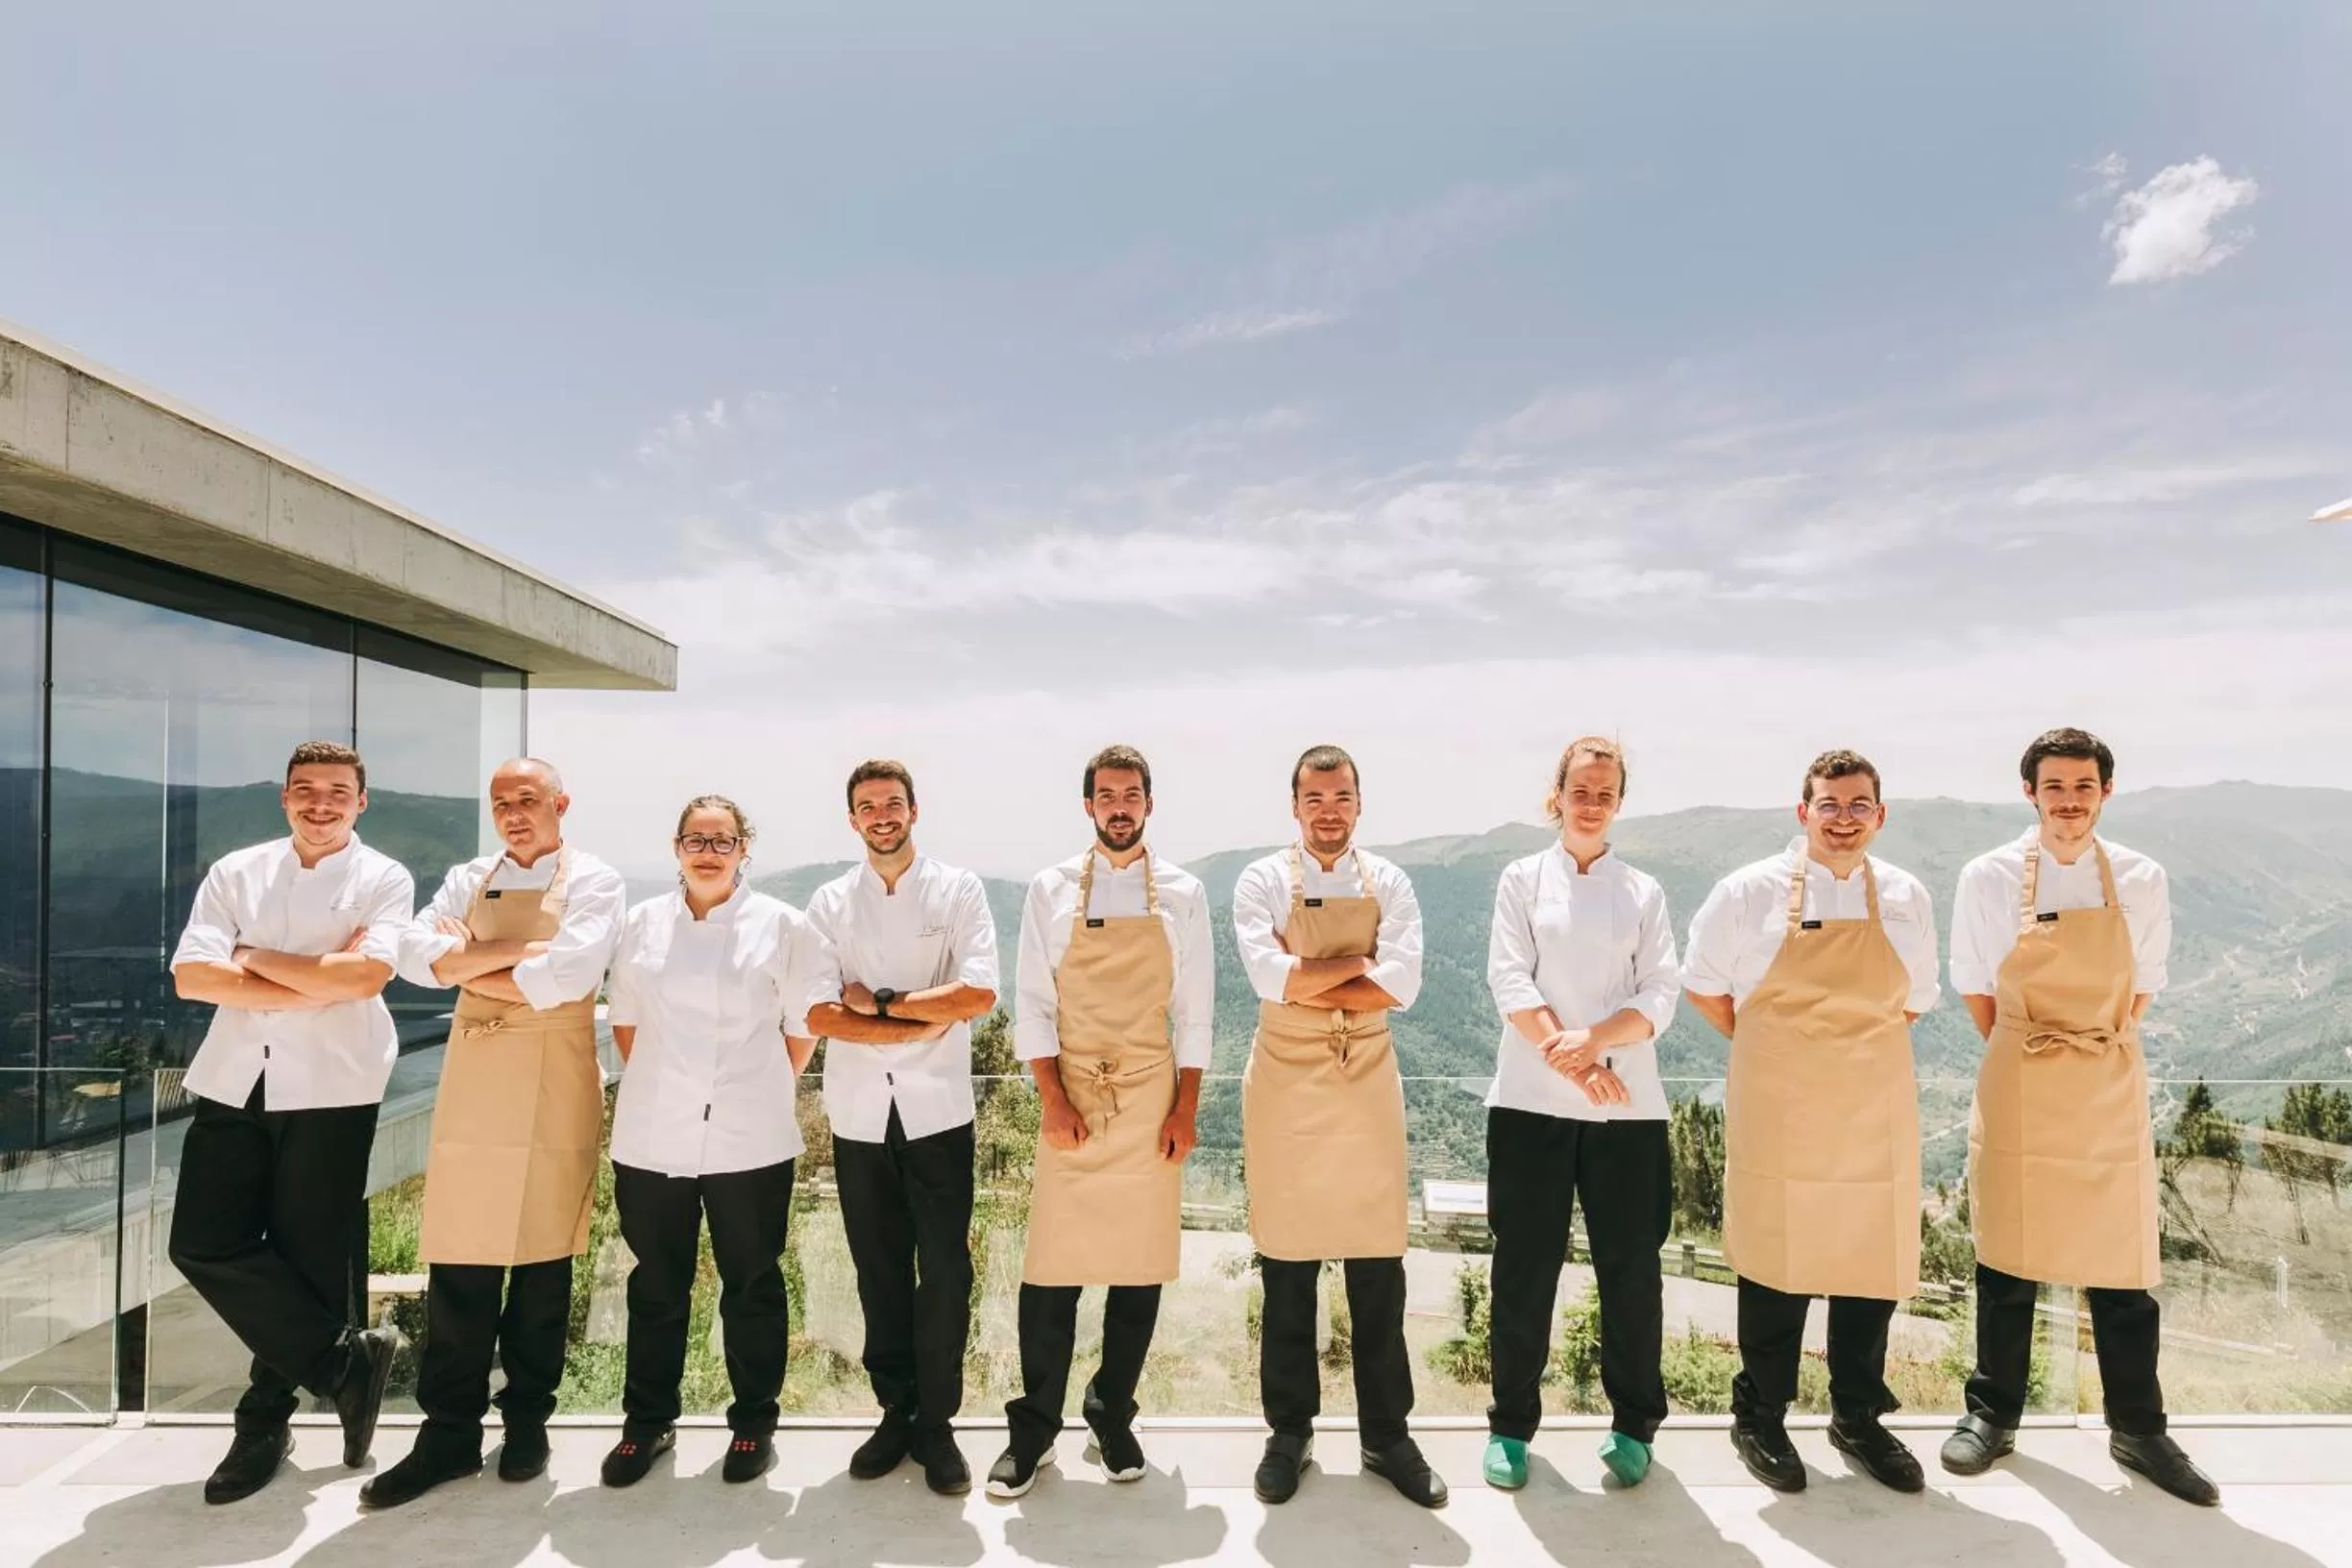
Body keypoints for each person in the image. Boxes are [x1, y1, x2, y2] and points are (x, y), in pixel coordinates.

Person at [1940, 727, 2216, 1506]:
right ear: (2030, 793)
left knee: (2122, 1261)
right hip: (2022, 1072)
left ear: (2105, 792)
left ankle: (2139, 1428)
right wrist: (2035, 1046)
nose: (2068, 800)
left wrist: (2090, 1042)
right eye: (2054, 787)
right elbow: (1975, 986)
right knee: (2006, 1254)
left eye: (2083, 786)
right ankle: (1991, 1416)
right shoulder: (1988, 876)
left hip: (2105, 1073)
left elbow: (2144, 982)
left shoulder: (2139, 876)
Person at [362, 758, 625, 1508]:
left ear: (561, 804)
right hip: (476, 1081)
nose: (513, 812)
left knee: (544, 1265)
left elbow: (570, 976)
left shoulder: (598, 880)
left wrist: (467, 962)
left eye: (528, 799)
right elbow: (414, 959)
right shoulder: (467, 874)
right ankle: (447, 1434)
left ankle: (527, 1425)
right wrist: (517, 957)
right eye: (502, 801)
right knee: (461, 1264)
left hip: (554, 1078)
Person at [1682, 748, 1939, 1495]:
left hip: (1873, 1104)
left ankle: (1858, 1416)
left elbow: (1915, 998)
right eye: (1830, 804)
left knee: (1870, 1264)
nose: (1845, 819)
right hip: (1782, 1104)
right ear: (1804, 812)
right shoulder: (1747, 892)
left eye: (1860, 805)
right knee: (1775, 1259)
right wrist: (1777, 1049)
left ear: (1880, 816)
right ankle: (1759, 1413)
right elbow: (1703, 987)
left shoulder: (1905, 895)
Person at [166, 740, 411, 1505]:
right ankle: (343, 1363)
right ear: (284, 797)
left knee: (306, 1257)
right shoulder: (236, 870)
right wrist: (314, 979)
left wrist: (252, 957)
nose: (321, 803)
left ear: (360, 801)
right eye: (306, 789)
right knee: (201, 1243)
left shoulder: (384, 878)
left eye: (337, 791)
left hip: (336, 1087)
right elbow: (191, 976)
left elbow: (366, 976)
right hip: (235, 1079)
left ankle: (263, 1423)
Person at [987, 745, 1214, 1500]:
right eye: (1107, 795)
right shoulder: (1050, 889)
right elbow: (1034, 1001)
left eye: (1132, 794)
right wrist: (1052, 1098)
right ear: (1088, 806)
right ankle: (1035, 1429)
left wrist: (1185, 1105)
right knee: (1051, 1271)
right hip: (1075, 1096)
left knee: (1138, 1268)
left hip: (1151, 1097)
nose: (1120, 806)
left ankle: (1111, 1413)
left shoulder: (1183, 893)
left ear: (1149, 803)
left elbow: (1194, 1011)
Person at [1233, 744, 1444, 1509]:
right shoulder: (1260, 879)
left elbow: (1405, 985)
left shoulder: (1389, 880)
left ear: (1360, 803)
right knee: (1287, 1267)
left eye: (1342, 797)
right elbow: (1267, 976)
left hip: (1366, 1087)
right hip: (1285, 1086)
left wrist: (1309, 975)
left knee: (1378, 1268)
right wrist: (1358, 968)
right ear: (1295, 807)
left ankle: (1388, 1435)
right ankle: (1289, 1433)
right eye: (1315, 798)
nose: (1329, 810)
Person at [599, 796, 819, 1487]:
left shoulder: (782, 925)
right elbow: (627, 1024)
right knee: (656, 1285)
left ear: (744, 850)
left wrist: (750, 1088)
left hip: (749, 1136)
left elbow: (801, 1028)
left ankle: (754, 1422)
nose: (708, 851)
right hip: (654, 1134)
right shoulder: (640, 925)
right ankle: (647, 1424)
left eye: (723, 841)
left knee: (751, 1283)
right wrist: (675, 1088)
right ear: (676, 847)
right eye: (696, 839)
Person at [1480, 737, 1679, 1492]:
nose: (1591, 802)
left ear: (1618, 803)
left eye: (1605, 792)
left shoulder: (1644, 891)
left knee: (1631, 1272)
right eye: (1580, 790)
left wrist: (1594, 1046)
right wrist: (1570, 1059)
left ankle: (1634, 1424)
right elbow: (1508, 977)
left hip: (1627, 1107)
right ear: (1555, 795)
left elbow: (1661, 992)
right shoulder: (1522, 879)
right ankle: (1509, 1426)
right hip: (1531, 1102)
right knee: (1524, 1270)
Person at [801, 759, 1000, 1497]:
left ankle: (938, 1424)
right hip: (857, 1115)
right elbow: (820, 1013)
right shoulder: (829, 901)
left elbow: (978, 993)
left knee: (944, 1270)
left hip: (940, 1114)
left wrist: (878, 1005)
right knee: (878, 1267)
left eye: (892, 803)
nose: (881, 815)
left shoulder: (958, 890)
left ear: (914, 810)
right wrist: (920, 1015)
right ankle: (896, 1411)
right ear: (852, 819)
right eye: (866, 806)